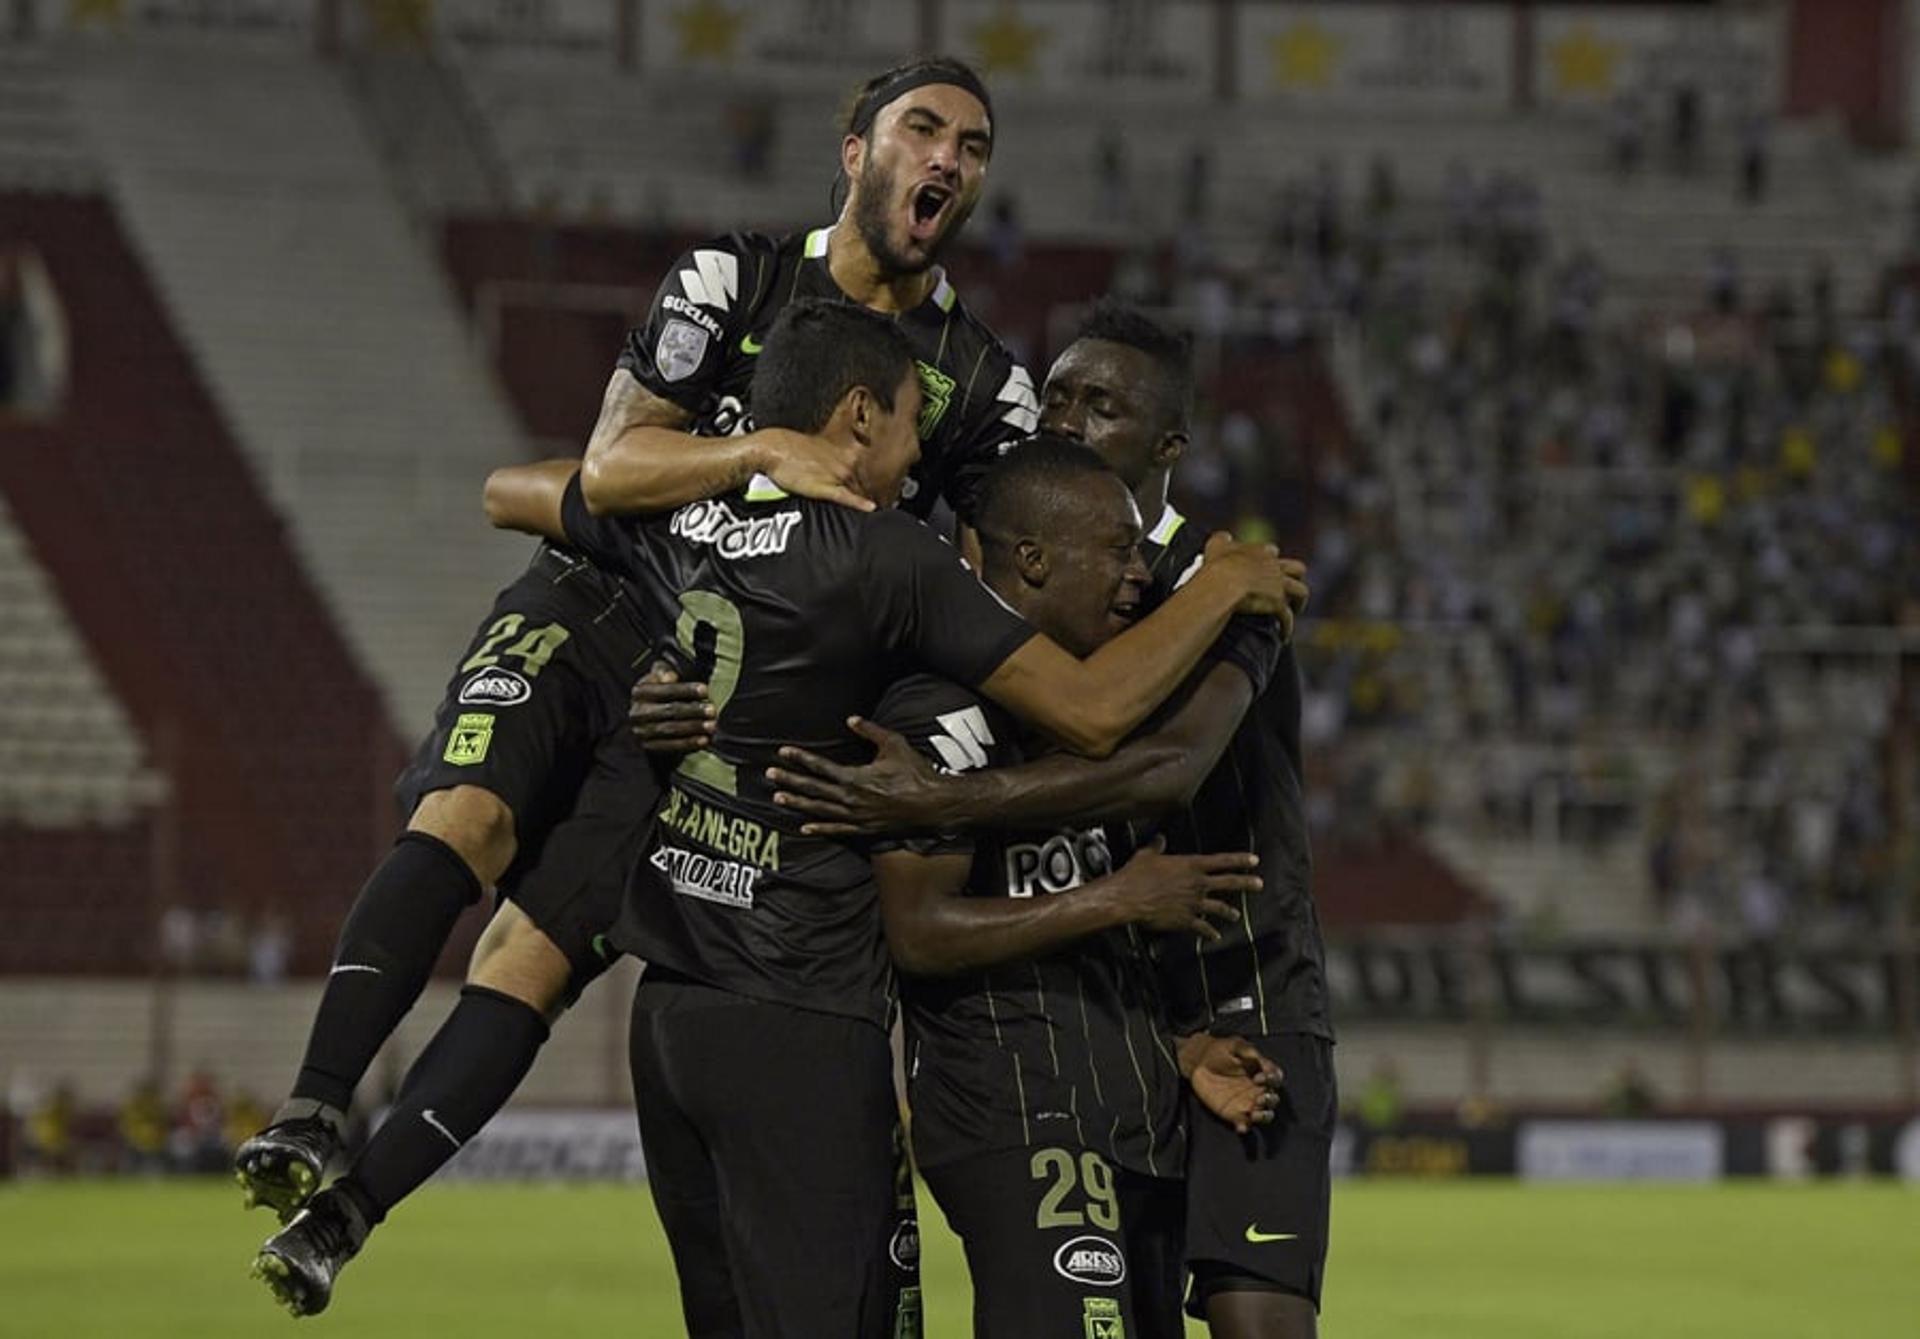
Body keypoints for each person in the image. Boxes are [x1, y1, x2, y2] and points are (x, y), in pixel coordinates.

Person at [242, 54, 1038, 1317]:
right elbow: (612, 466)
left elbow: (993, 579)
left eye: (974, 145)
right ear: (854, 149)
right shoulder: (736, 278)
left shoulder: (982, 380)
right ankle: (311, 1106)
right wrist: (760, 450)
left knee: (538, 949)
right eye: (922, 129)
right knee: (469, 815)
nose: (947, 159)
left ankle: (347, 1213)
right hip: (603, 600)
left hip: (727, 686)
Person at [485, 298, 1306, 1338]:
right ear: (862, 419)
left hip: (687, 1000)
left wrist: (739, 459)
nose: (922, 458)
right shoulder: (892, 573)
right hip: (811, 1015)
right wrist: (1221, 584)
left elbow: (514, 490)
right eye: (915, 424)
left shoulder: (705, 525)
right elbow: (1091, 729)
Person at [750, 303, 1335, 1337]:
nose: (1062, 419)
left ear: (1167, 446)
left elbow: (1157, 770)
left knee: (1256, 1325)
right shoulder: (1018, 609)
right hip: (1112, 1043)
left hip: (1246, 999)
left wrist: (943, 802)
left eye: (1099, 405)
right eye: (1055, 395)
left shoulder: (1226, 584)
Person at [861, 439, 1288, 1336]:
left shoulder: (1108, 719)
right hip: (1022, 1117)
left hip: (1137, 1123)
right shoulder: (942, 707)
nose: (1138, 575)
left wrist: (1178, 1053)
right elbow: (919, 928)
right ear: (1033, 559)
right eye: (1118, 551)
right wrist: (1117, 899)